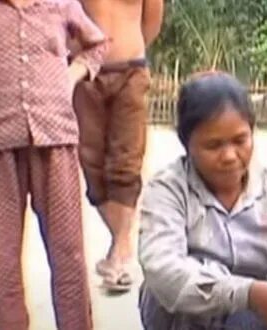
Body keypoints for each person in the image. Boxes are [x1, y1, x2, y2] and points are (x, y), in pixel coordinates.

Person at [137, 72, 267, 330]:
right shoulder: (167, 190)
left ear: (252, 133)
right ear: (186, 143)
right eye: (213, 145)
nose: (229, 156)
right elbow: (164, 273)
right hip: (182, 319)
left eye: (240, 140)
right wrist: (247, 293)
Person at [0, 0, 108, 329]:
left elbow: (97, 44)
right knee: (1, 263)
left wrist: (70, 77)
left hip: (55, 139)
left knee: (69, 260)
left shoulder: (60, 3)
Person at [72, 0, 164, 292]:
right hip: (84, 71)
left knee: (126, 161)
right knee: (90, 162)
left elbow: (152, 23)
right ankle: (120, 245)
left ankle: (121, 252)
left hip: (131, 69)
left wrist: (128, 48)